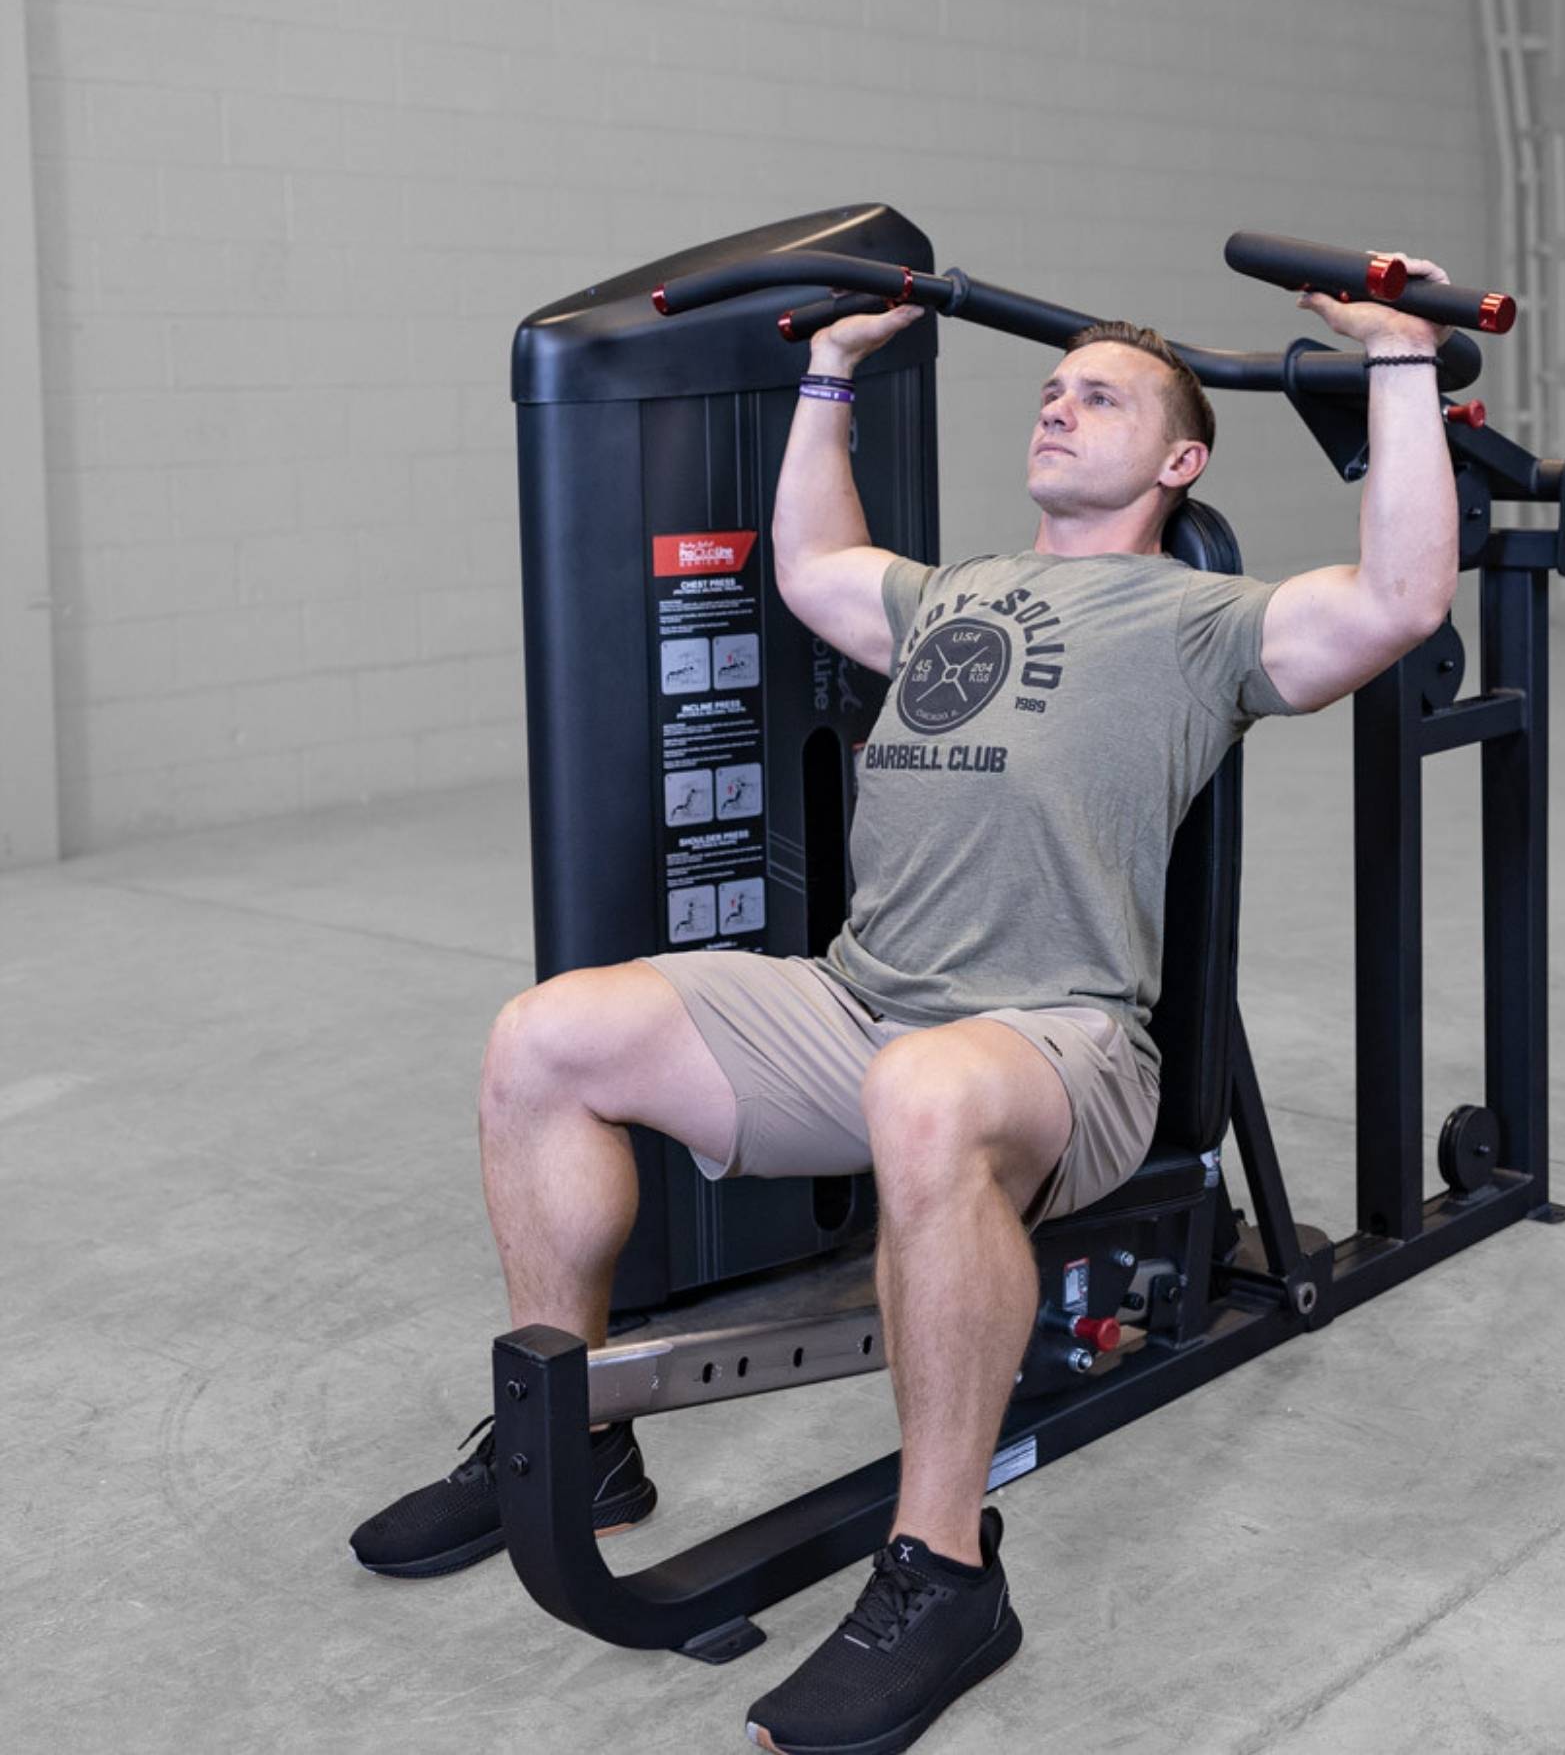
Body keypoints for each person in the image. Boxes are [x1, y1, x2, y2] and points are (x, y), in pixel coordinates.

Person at [349, 257, 1461, 1754]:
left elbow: (1398, 596)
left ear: (1182, 459)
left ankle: (943, 1571)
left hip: (1057, 1039)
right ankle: (576, 1445)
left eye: (1104, 396)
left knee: (925, 1092)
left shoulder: (1207, 622)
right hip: (855, 1004)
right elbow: (811, 567)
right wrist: (830, 376)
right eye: (1053, 390)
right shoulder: (956, 591)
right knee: (546, 1035)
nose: (1058, 407)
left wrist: (1400, 364)